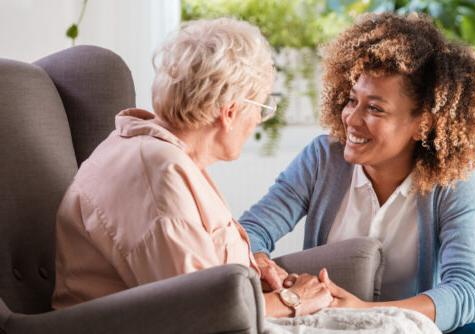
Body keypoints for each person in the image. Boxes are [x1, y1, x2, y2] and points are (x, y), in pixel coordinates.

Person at [52, 18, 332, 317]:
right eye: (262, 108)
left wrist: (252, 270)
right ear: (230, 111)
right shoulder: (159, 173)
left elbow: (197, 274)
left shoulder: (155, 151)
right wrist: (292, 300)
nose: (257, 122)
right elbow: (198, 310)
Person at [240, 13, 475, 333]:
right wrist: (259, 261)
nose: (351, 119)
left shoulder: (453, 180)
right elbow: (250, 233)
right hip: (325, 325)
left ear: (423, 124)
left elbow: (468, 290)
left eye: (375, 108)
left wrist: (367, 312)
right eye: (352, 100)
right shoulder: (322, 158)